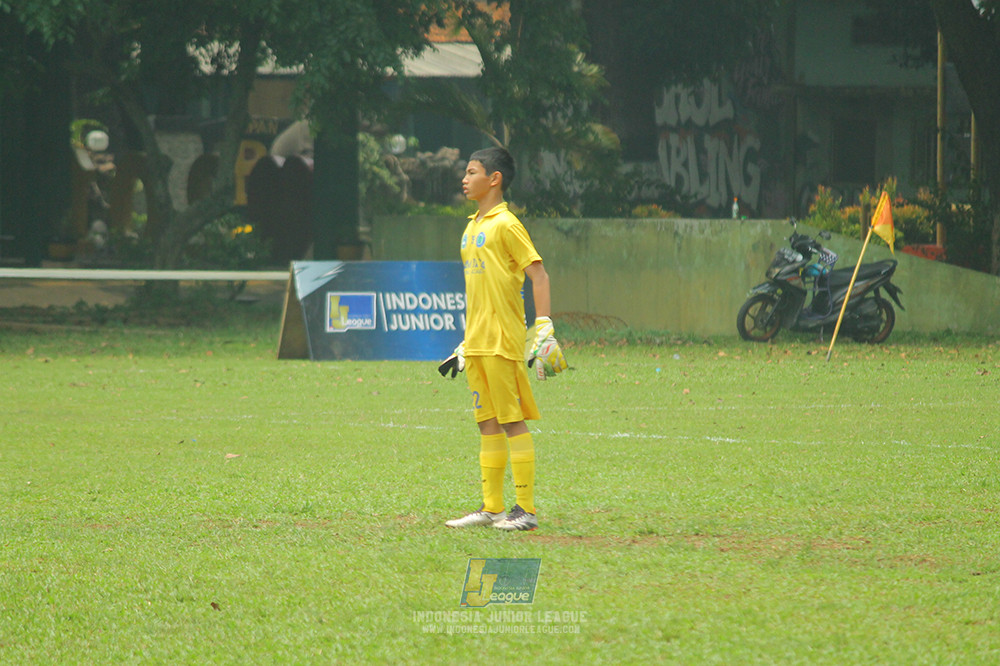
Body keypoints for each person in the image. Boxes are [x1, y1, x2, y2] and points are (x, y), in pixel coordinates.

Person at [438, 146, 567, 531]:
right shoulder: (471, 227)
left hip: (502, 342)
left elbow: (538, 275)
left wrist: (542, 325)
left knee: (512, 422)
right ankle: (492, 508)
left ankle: (524, 510)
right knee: (487, 423)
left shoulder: (506, 224)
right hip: (476, 343)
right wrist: (465, 342)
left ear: (494, 179)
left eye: (472, 171)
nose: (465, 178)